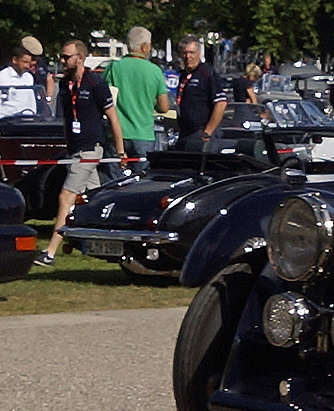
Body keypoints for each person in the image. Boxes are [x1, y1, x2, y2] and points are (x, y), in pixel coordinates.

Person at [35, 39, 123, 267]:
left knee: (66, 197)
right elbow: (67, 118)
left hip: (91, 149)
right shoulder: (64, 85)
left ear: (80, 58)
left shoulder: (95, 83)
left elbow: (113, 118)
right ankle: (109, 244)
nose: (62, 61)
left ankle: (50, 253)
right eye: (62, 57)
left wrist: (120, 151)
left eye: (67, 57)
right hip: (74, 149)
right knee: (93, 198)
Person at [103, 27, 170, 173]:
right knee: (141, 184)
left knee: (113, 183)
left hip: (116, 134)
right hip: (143, 134)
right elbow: (164, 107)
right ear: (144, 47)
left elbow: (103, 97)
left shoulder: (114, 67)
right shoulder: (154, 71)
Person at [174, 37, 227, 148]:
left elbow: (221, 104)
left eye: (192, 53)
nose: (188, 57)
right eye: (184, 53)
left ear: (199, 53)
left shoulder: (207, 74)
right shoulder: (183, 75)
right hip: (185, 133)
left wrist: (207, 132)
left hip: (202, 132)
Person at [0, 43, 40, 119]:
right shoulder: (2, 77)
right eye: (24, 62)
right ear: (14, 60)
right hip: (7, 122)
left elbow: (31, 101)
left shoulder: (28, 77)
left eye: (29, 63)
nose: (27, 66)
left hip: (27, 121)